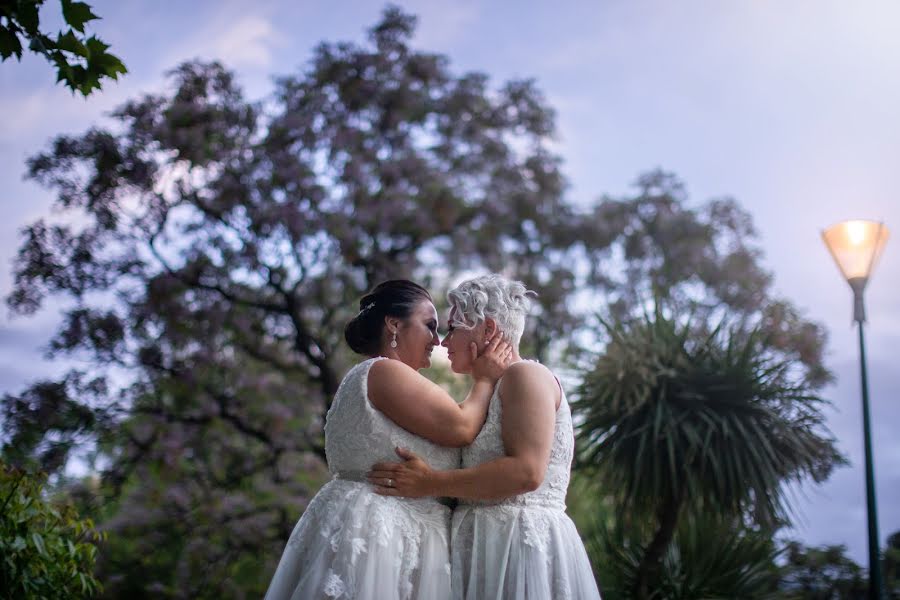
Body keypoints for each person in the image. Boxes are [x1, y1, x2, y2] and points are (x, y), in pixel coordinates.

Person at [264, 280, 512, 600]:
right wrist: (485, 379)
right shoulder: (384, 371)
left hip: (400, 531)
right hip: (379, 533)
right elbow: (462, 427)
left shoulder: (380, 375)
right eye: (429, 326)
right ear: (394, 324)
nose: (436, 341)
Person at [369, 274, 603, 600]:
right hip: (481, 551)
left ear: (488, 330)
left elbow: (527, 472)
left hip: (519, 550)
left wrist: (430, 482)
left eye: (453, 328)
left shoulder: (526, 376)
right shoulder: (489, 391)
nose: (443, 342)